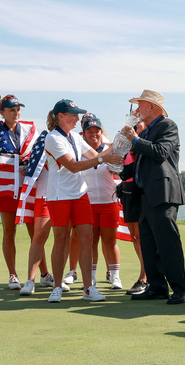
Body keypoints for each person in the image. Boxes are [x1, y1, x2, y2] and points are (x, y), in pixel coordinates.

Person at [43, 99, 122, 303]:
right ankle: (57, 287)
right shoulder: (53, 138)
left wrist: (121, 141)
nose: (77, 118)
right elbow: (74, 166)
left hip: (79, 194)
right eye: (73, 114)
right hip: (59, 195)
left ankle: (88, 288)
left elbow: (97, 156)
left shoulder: (75, 138)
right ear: (61, 116)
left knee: (86, 239)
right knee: (61, 240)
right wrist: (103, 159)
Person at [119, 90, 185, 304]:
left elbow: (160, 153)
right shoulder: (148, 131)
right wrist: (120, 168)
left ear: (152, 107)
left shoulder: (168, 126)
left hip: (163, 193)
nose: (137, 109)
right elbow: (142, 163)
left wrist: (135, 139)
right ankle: (157, 287)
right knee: (148, 243)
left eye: (140, 105)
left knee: (167, 242)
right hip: (146, 193)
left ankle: (180, 289)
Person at [0, 95, 48, 290]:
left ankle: (44, 273)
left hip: (28, 187)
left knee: (36, 234)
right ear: (2, 112)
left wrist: (27, 164)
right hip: (7, 189)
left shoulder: (30, 130)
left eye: (17, 109)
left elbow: (39, 153)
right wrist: (12, 164)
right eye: (11, 110)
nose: (15, 113)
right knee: (9, 231)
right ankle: (13, 275)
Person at [71, 115, 123, 289]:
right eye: (89, 131)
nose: (94, 134)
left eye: (97, 131)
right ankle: (91, 276)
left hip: (109, 201)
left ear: (101, 132)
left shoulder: (111, 149)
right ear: (83, 133)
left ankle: (114, 276)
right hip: (88, 203)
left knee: (110, 241)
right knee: (90, 241)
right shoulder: (78, 151)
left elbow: (121, 171)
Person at [18, 128, 56, 295]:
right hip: (44, 195)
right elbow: (33, 165)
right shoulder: (43, 141)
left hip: (66, 196)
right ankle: (30, 281)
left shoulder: (73, 140)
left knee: (64, 238)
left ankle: (59, 281)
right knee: (38, 237)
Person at [118, 120, 148, 295]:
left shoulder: (143, 140)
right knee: (135, 237)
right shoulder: (128, 141)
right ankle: (146, 275)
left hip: (141, 191)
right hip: (127, 190)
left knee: (142, 237)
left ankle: (144, 277)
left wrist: (136, 138)